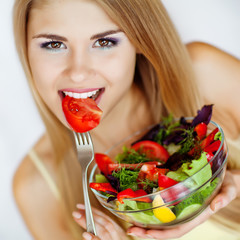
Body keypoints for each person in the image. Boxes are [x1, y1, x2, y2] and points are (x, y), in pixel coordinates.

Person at [12, 0, 240, 239]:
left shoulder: (204, 74)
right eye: (54, 44)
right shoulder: (36, 188)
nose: (78, 73)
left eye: (104, 42)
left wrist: (233, 183)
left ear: (140, 40)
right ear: (26, 51)